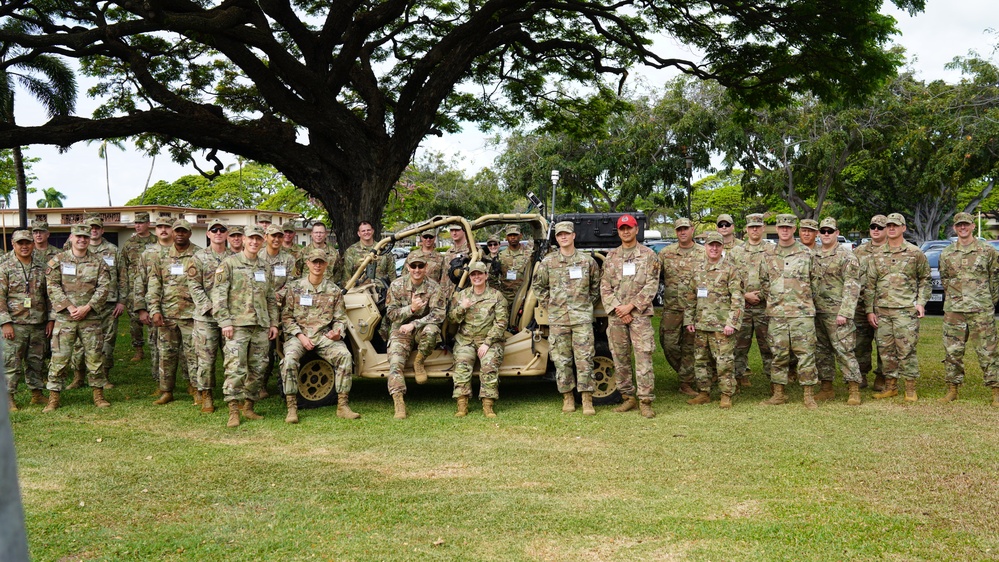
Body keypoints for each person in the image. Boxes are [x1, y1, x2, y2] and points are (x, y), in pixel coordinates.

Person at [280, 249, 359, 424]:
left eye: (321, 262)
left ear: (326, 265)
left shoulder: (333, 290)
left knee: (345, 356)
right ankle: (292, 407)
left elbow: (340, 318)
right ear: (307, 263)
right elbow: (286, 317)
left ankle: (342, 406)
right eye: (314, 262)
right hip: (299, 336)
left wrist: (337, 333)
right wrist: (300, 336)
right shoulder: (295, 288)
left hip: (324, 336)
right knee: (290, 360)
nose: (317, 265)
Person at [212, 225, 280, 427]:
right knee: (235, 368)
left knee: (258, 368)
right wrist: (224, 321)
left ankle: (248, 407)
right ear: (243, 239)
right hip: (237, 325)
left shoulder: (265, 267)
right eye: (251, 238)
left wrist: (273, 323)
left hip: (260, 325)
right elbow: (219, 295)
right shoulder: (229, 264)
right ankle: (233, 409)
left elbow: (270, 297)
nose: (254, 242)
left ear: (262, 241)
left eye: (258, 239)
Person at [532, 221, 601, 415]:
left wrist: (586, 303)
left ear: (573, 236)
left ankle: (587, 399)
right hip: (559, 318)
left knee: (585, 359)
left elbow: (596, 286)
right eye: (560, 234)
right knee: (562, 360)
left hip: (581, 319)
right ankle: (568, 397)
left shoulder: (587, 261)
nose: (563, 237)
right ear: (557, 238)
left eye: (567, 234)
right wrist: (550, 303)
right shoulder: (548, 262)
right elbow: (538, 286)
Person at [42, 224, 111, 411]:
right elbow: (52, 286)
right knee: (59, 357)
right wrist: (70, 307)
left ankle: (98, 395)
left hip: (90, 318)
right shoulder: (58, 260)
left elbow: (104, 288)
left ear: (89, 239)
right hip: (66, 317)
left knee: (95, 356)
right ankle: (54, 398)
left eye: (85, 237)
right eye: (78, 236)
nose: (82, 240)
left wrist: (87, 307)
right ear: (71, 237)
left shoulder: (99, 262)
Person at [600, 214, 661, 418]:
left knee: (643, 356)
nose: (626, 231)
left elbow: (652, 284)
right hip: (617, 316)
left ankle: (645, 400)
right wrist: (619, 308)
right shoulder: (611, 257)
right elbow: (605, 286)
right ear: (618, 231)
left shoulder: (649, 255)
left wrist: (632, 307)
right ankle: (628, 397)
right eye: (622, 228)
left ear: (636, 229)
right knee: (620, 357)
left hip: (640, 315)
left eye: (629, 228)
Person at [865, 213, 931, 402]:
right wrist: (870, 310)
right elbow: (870, 284)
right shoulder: (877, 254)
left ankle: (910, 388)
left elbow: (925, 279)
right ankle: (890, 386)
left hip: (905, 310)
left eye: (895, 225)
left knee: (906, 349)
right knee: (885, 350)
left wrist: (920, 302)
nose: (891, 228)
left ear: (903, 228)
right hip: (882, 311)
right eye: (889, 226)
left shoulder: (914, 252)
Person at [758, 214, 820, 409]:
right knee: (778, 353)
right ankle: (778, 394)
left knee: (806, 354)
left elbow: (815, 281)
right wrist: (776, 300)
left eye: (788, 227)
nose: (785, 230)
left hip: (802, 313)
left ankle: (808, 395)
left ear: (794, 229)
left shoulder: (807, 253)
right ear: (776, 229)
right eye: (781, 227)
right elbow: (764, 282)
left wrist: (802, 299)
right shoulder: (768, 254)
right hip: (777, 314)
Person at [938, 212, 999, 405]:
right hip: (954, 310)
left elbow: (995, 279)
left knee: (988, 350)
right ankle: (952, 388)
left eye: (966, 225)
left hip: (981, 309)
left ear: (973, 226)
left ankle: (995, 390)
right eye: (959, 225)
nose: (962, 228)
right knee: (952, 351)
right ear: (955, 228)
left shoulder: (987, 251)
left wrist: (988, 302)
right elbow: (945, 279)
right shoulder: (947, 253)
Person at [143, 219, 201, 406]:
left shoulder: (199, 255)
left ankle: (196, 390)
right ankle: (167, 391)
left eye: (184, 231)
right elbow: (154, 285)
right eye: (177, 231)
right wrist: (154, 310)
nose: (180, 234)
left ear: (190, 233)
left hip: (192, 315)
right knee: (166, 356)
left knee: (193, 356)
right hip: (167, 315)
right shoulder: (161, 257)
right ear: (173, 234)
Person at [384, 253, 446, 418]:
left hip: (420, 329)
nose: (417, 270)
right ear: (408, 267)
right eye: (413, 266)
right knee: (396, 362)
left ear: (426, 267)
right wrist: (410, 309)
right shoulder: (397, 286)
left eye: (420, 266)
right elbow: (391, 314)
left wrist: (414, 323)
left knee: (432, 330)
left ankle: (419, 361)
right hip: (400, 331)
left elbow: (438, 315)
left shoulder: (434, 287)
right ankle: (399, 402)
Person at [686, 232, 743, 408]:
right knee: (700, 360)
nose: (714, 248)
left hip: (722, 326)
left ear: (722, 247)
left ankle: (726, 394)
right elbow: (690, 297)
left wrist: (731, 323)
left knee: (724, 361)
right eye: (711, 245)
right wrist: (689, 320)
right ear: (705, 247)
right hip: (701, 324)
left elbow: (737, 298)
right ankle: (704, 392)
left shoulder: (730, 269)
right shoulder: (697, 269)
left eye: (717, 245)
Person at [66, 216, 122, 391]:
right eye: (91, 228)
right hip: (80, 304)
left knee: (105, 341)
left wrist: (122, 300)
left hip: (108, 304)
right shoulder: (72, 250)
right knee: (78, 344)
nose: (94, 230)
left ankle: (103, 376)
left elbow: (123, 276)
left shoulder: (112, 250)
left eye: (97, 227)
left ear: (102, 230)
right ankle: (78, 376)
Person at [813, 218, 863, 405]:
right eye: (823, 230)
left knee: (844, 350)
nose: (826, 234)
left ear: (836, 232)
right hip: (817, 311)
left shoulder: (846, 256)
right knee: (821, 351)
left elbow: (852, 286)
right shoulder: (813, 254)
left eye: (830, 231)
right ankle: (826, 388)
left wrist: (845, 312)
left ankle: (854, 388)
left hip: (837, 313)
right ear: (819, 233)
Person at [448, 261, 507, 418]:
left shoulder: (496, 296)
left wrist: (487, 343)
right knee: (461, 365)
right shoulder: (462, 296)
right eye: (473, 274)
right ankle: (462, 405)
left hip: (489, 341)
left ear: (486, 276)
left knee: (488, 366)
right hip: (465, 340)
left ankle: (488, 405)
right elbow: (451, 319)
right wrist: (463, 307)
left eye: (479, 274)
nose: (476, 277)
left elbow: (501, 323)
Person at [2, 231, 52, 411]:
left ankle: (36, 394)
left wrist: (50, 319)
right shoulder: (5, 267)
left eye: (27, 243)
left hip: (38, 322)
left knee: (36, 360)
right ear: (13, 245)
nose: (24, 246)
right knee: (11, 362)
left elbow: (49, 295)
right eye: (20, 243)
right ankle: (9, 397)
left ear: (32, 245)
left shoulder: (41, 267)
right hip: (15, 323)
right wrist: (5, 322)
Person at [187, 219, 232, 412]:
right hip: (206, 317)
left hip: (230, 318)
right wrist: (210, 307)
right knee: (205, 359)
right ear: (208, 234)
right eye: (214, 230)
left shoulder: (234, 258)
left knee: (232, 358)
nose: (218, 233)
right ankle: (206, 395)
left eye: (222, 230)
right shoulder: (198, 258)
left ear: (227, 234)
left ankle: (232, 395)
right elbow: (194, 286)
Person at [658, 217, 704, 397]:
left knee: (690, 345)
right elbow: (654, 276)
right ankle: (688, 372)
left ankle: (686, 382)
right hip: (672, 307)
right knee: (668, 344)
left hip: (696, 308)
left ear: (692, 229)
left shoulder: (703, 252)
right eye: (679, 230)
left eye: (685, 228)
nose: (682, 232)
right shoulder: (666, 253)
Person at [728, 213, 774, 387]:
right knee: (739, 346)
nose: (755, 229)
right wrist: (744, 295)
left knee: (769, 346)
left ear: (763, 228)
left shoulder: (771, 250)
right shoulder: (736, 252)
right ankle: (738, 379)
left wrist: (761, 294)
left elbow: (776, 277)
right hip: (742, 307)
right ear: (746, 230)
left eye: (758, 226)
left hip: (765, 307)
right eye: (751, 227)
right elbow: (730, 280)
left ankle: (774, 383)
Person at [259, 224, 300, 397]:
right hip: (261, 308)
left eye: (279, 236)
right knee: (263, 347)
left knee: (283, 345)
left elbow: (293, 282)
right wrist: (268, 296)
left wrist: (279, 294)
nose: (276, 239)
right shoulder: (257, 257)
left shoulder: (289, 259)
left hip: (283, 308)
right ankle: (260, 384)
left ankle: (285, 379)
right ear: (266, 236)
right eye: (273, 236)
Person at [853, 215, 888, 390]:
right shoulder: (859, 251)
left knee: (884, 342)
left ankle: (882, 376)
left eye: (880, 227)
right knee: (860, 342)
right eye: (873, 226)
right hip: (860, 304)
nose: (875, 230)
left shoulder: (892, 250)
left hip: (883, 304)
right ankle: (861, 374)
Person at [118, 211, 156, 363]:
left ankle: (156, 348)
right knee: (135, 321)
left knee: (155, 317)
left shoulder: (156, 241)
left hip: (153, 285)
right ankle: (138, 349)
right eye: (136, 223)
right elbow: (123, 266)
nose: (138, 225)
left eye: (141, 223)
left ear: (148, 224)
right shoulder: (129, 244)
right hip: (134, 287)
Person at [340, 220, 395, 286]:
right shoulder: (351, 251)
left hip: (381, 290)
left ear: (372, 231)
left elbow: (392, 273)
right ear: (359, 233)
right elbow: (346, 276)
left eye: (368, 230)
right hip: (360, 292)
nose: (366, 232)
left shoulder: (383, 249)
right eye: (363, 231)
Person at [497, 225, 531, 305]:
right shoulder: (501, 255)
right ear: (506, 237)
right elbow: (493, 277)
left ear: (520, 236)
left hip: (524, 295)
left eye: (515, 235)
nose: (512, 237)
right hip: (506, 296)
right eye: (510, 235)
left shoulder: (529, 254)